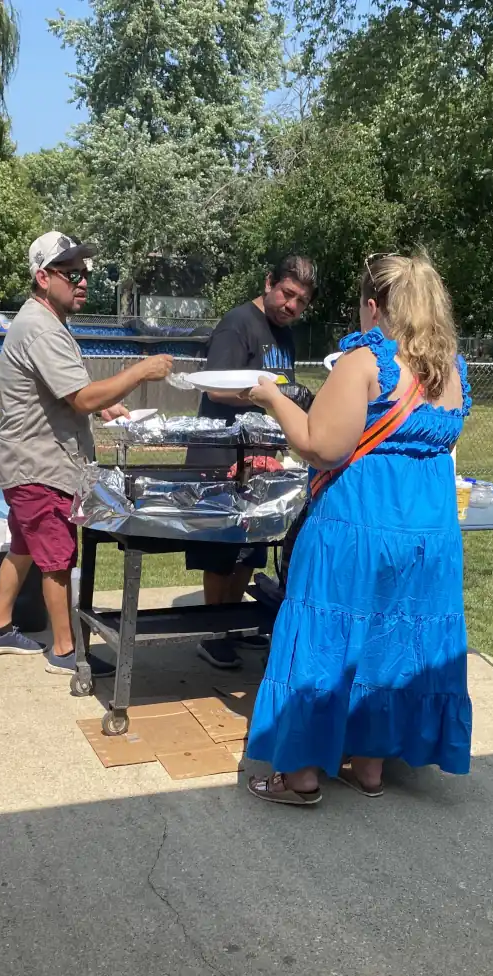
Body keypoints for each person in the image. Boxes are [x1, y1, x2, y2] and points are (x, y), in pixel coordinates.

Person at [244, 252, 473, 806]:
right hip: (429, 531)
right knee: (394, 639)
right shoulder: (451, 367)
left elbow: (322, 445)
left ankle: (299, 777)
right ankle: (369, 769)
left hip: (358, 523)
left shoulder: (364, 361)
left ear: (373, 305)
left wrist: (272, 397)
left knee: (326, 637)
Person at [0, 232, 173, 672]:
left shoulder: (45, 322)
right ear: (43, 277)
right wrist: (141, 370)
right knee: (57, 558)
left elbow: (68, 395)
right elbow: (80, 398)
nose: (83, 281)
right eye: (73, 274)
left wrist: (106, 405)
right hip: (40, 465)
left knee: (25, 547)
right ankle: (66, 651)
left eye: (86, 273)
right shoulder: (41, 328)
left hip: (28, 461)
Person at [186, 255, 317, 670]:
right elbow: (215, 386)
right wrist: (260, 395)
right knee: (222, 550)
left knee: (251, 549)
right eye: (287, 294)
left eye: (301, 300)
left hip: (262, 457)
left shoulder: (286, 336)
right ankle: (214, 633)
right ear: (269, 283)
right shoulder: (238, 323)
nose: (291, 305)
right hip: (221, 452)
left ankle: (235, 625)